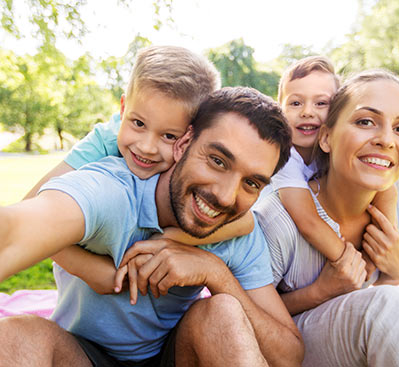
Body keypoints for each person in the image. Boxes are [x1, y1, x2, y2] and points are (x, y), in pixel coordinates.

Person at [0, 87, 303, 366]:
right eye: (217, 161)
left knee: (222, 312)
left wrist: (215, 273)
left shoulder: (236, 230)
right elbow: (17, 229)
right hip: (82, 354)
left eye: (251, 183)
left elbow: (288, 355)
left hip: (172, 355)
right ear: (183, 143)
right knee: (15, 335)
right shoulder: (113, 191)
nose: (225, 196)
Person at [21, 45, 259, 297]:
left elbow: (245, 223)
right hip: (83, 299)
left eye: (169, 136)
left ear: (191, 137)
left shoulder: (193, 163)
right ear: (123, 108)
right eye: (138, 123)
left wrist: (169, 241)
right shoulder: (106, 140)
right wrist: (87, 268)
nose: (146, 147)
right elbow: (28, 214)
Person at [254, 69, 399, 366]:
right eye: (366, 121)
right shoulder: (278, 218)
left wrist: (396, 273)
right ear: (326, 137)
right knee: (387, 306)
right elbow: (249, 312)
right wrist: (322, 291)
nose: (386, 140)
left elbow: (374, 291)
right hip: (290, 340)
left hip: (357, 327)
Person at [272, 56, 396, 273]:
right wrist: (353, 264)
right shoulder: (284, 156)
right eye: (295, 103)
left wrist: (387, 246)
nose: (307, 112)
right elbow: (308, 221)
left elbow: (387, 189)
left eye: (321, 103)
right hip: (279, 250)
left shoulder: (338, 148)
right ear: (279, 110)